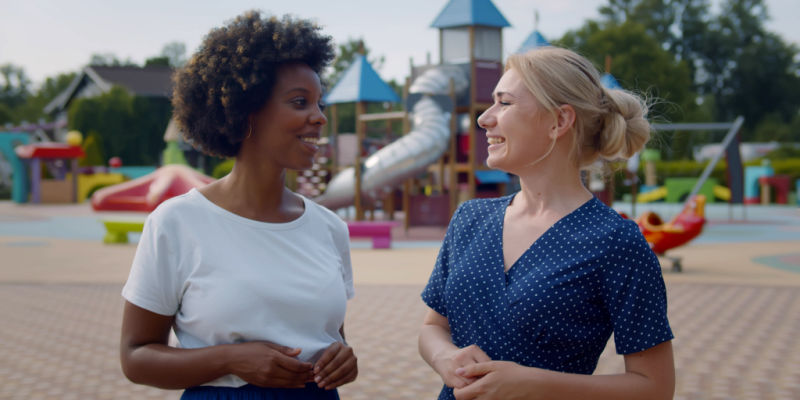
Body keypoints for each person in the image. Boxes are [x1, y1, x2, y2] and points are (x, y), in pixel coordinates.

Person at [119, 11, 357, 399]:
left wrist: (343, 358)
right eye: (300, 102)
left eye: (320, 104)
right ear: (246, 111)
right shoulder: (177, 223)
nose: (319, 118)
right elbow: (135, 357)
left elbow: (329, 337)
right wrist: (230, 359)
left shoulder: (329, 228)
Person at [418, 46, 675, 400]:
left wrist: (535, 384)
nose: (484, 118)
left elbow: (655, 387)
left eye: (504, 103)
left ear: (559, 121)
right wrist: (445, 356)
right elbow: (434, 327)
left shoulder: (616, 242)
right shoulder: (469, 219)